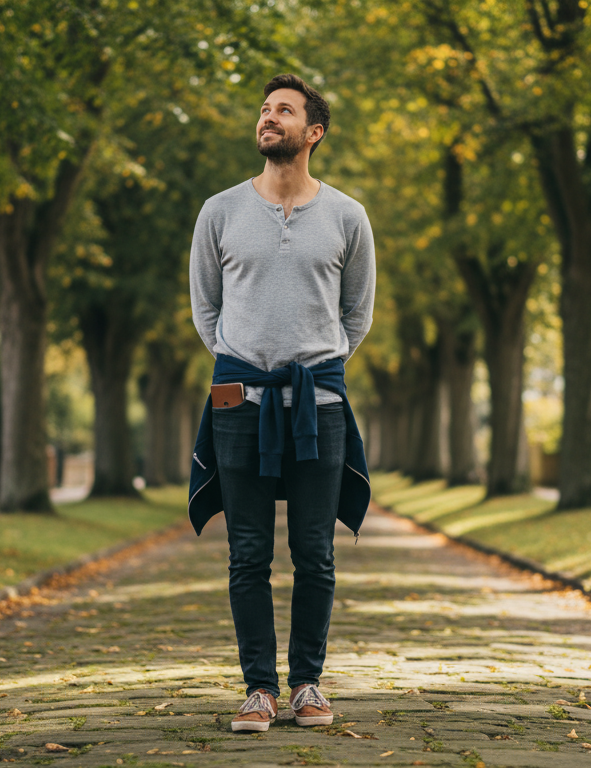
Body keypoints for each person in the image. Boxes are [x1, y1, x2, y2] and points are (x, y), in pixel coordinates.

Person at [186, 73, 377, 732]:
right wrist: (246, 362)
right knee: (247, 553)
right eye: (264, 110)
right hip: (238, 402)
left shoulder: (348, 216)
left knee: (316, 552)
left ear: (313, 132)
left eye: (284, 111)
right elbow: (206, 309)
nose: (269, 118)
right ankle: (258, 689)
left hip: (319, 402)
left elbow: (358, 315)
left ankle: (307, 684)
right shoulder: (219, 212)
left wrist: (315, 368)